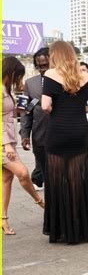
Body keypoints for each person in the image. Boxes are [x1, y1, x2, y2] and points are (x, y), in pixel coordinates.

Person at [41, 41, 88, 244]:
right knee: (79, 180)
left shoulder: (50, 75)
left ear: (55, 55)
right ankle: (85, 231)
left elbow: (45, 106)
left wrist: (61, 109)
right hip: (78, 132)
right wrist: (77, 110)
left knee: (57, 180)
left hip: (58, 131)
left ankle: (59, 230)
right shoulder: (84, 76)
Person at [2, 56, 45, 235]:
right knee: (22, 172)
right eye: (18, 76)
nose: (19, 80)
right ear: (10, 72)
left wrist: (27, 105)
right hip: (4, 143)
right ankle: (40, 201)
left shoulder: (6, 90)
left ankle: (3, 220)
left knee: (6, 179)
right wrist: (7, 144)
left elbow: (10, 112)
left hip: (8, 141)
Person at [20, 46, 50, 189]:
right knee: (45, 171)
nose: (42, 69)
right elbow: (27, 111)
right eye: (39, 66)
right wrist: (25, 134)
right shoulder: (30, 84)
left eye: (45, 65)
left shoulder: (64, 81)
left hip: (62, 135)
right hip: (40, 137)